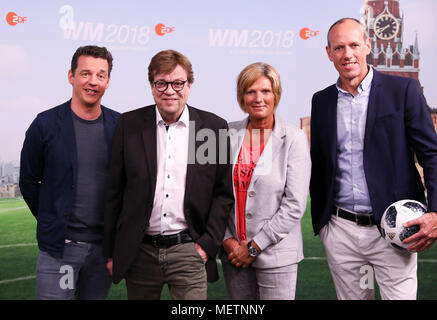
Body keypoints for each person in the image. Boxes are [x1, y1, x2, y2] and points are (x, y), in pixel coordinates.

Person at [310, 18, 437, 300]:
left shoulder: (403, 90)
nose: (348, 54)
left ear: (368, 46)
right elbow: (320, 163)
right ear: (329, 53)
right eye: (339, 47)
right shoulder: (321, 101)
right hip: (340, 230)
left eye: (354, 45)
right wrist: (324, 224)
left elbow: (431, 154)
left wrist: (436, 211)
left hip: (395, 227)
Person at [103, 49, 234, 300]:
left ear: (189, 85)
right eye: (161, 83)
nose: (170, 90)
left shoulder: (211, 128)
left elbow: (222, 194)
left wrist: (206, 246)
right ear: (152, 86)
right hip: (139, 253)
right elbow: (114, 193)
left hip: (189, 250)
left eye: (177, 83)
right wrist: (111, 252)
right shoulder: (129, 125)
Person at [19, 45, 120, 299]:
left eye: (100, 75)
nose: (93, 82)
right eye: (85, 73)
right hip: (59, 251)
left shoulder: (121, 126)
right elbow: (29, 181)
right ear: (71, 76)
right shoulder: (45, 124)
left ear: (108, 81)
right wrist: (52, 218)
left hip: (101, 252)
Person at [220, 62, 311, 300]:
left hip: (277, 255)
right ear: (242, 97)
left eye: (266, 91)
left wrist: (253, 247)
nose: (259, 98)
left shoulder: (294, 138)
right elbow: (212, 195)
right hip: (233, 255)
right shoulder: (225, 134)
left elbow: (294, 206)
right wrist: (227, 241)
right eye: (251, 91)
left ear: (276, 95)